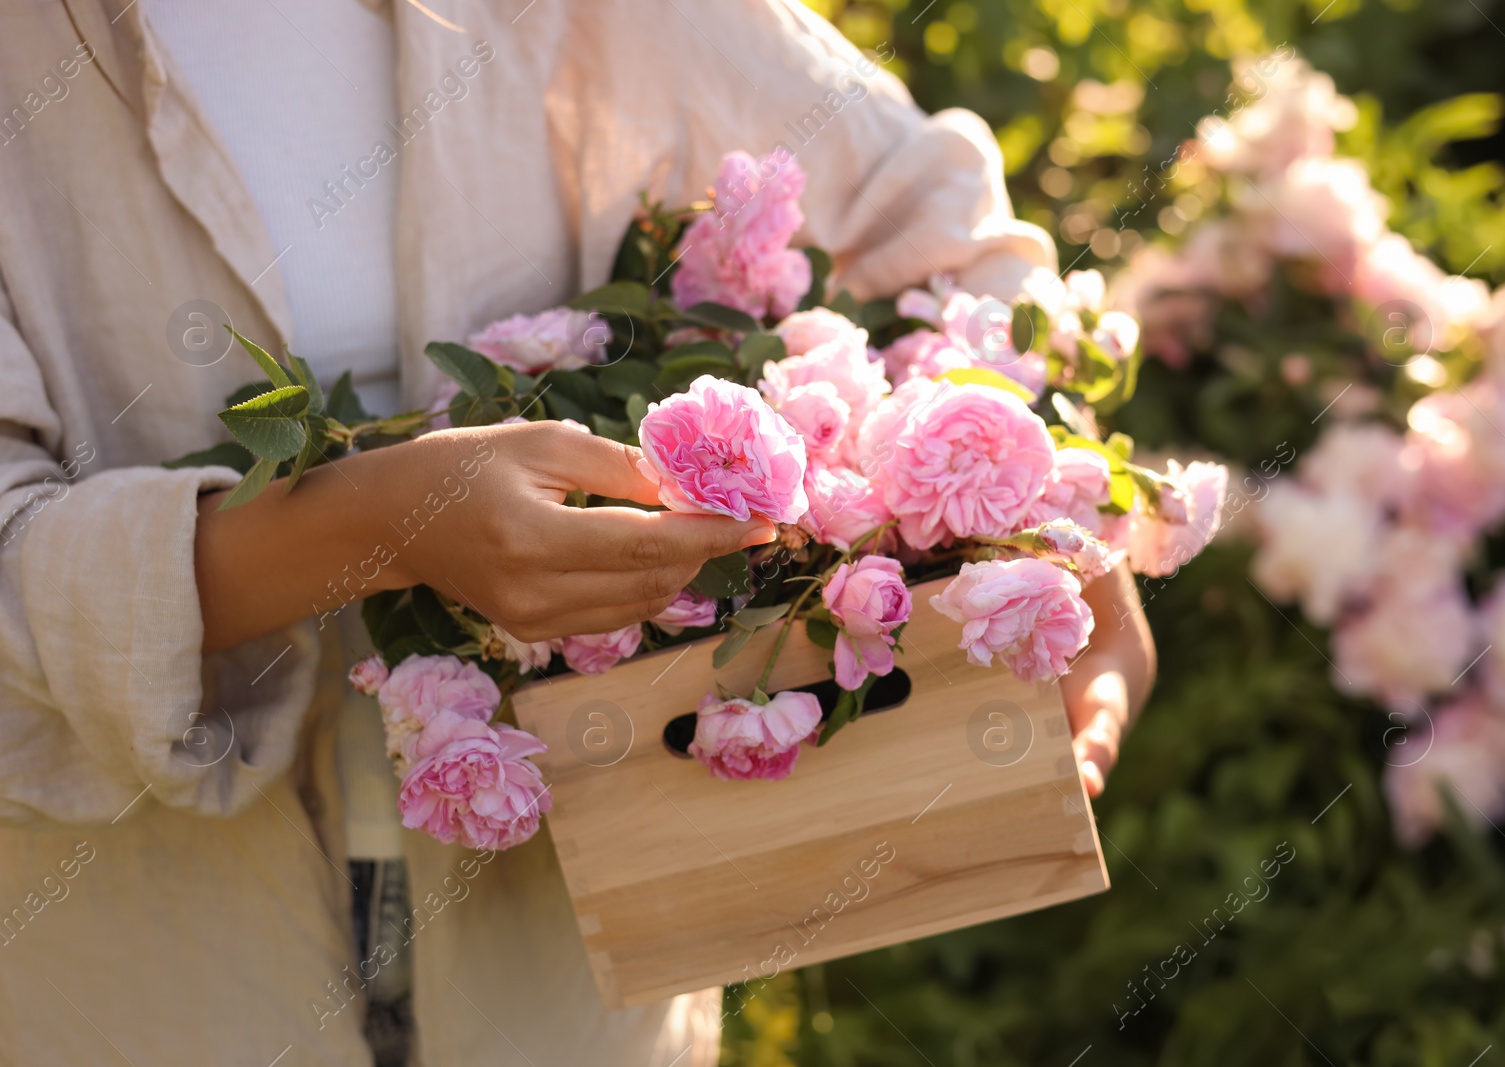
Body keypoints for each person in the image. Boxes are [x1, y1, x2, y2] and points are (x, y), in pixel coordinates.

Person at [0, 0, 1155, 1063]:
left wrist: (1047, 493)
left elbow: (929, 218)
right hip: (129, 962)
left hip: (573, 971)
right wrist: (382, 523)